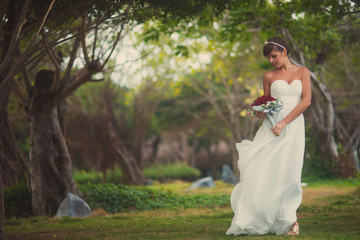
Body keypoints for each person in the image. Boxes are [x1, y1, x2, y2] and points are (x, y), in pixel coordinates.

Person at [226, 37, 311, 236]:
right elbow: (267, 103)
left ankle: (291, 221)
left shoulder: (302, 72)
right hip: (271, 129)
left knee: (289, 172)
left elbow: (306, 101)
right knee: (265, 170)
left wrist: (284, 122)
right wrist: (260, 112)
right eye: (268, 58)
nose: (271, 60)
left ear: (284, 51)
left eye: (274, 56)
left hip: (292, 126)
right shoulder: (269, 76)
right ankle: (257, 216)